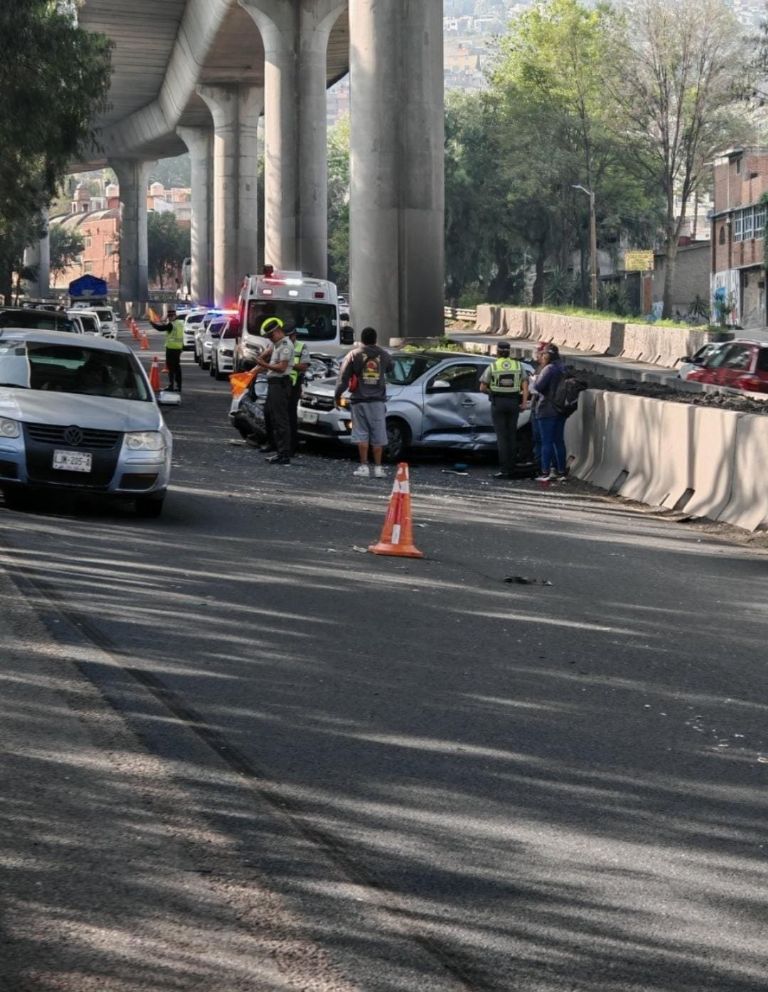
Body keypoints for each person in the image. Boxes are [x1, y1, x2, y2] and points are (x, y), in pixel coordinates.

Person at [334, 326, 393, 478]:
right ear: (375, 339)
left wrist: (337, 395)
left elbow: (343, 379)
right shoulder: (384, 354)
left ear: (362, 339)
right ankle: (379, 468)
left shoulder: (354, 354)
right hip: (378, 401)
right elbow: (390, 368)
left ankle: (364, 466)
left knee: (361, 433)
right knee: (378, 434)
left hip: (359, 400)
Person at [479, 341, 529, 479]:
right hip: (513, 403)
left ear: (498, 351)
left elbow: (482, 388)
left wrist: (493, 393)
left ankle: (504, 470)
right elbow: (525, 385)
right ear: (509, 351)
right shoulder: (518, 366)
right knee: (512, 435)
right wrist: (524, 402)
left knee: (502, 438)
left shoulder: (493, 366)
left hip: (498, 404)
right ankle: (512, 469)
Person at [254, 318, 294, 465]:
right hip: (274, 384)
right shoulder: (277, 345)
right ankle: (279, 451)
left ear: (277, 331)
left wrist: (263, 364)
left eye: (271, 336)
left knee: (281, 420)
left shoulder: (285, 345)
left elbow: (282, 367)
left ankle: (284, 455)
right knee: (273, 418)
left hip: (280, 385)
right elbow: (272, 365)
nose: (270, 339)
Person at [533, 344, 567, 482]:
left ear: (548, 355)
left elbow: (538, 386)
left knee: (546, 441)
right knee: (559, 441)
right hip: (561, 409)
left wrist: (534, 380)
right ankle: (561, 471)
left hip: (547, 408)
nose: (542, 356)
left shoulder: (549, 369)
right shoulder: (562, 368)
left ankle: (545, 472)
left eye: (544, 354)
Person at [149, 306, 184, 392]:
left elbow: (161, 328)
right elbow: (168, 327)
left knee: (171, 368)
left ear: (173, 316)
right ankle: (179, 386)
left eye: (170, 317)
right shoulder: (180, 323)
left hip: (171, 348)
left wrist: (153, 324)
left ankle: (171, 386)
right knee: (177, 368)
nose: (170, 318)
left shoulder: (171, 324)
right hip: (179, 348)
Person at [287, 325, 310, 455]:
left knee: (290, 416)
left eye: (291, 336)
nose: (289, 338)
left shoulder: (301, 347)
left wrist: (288, 364)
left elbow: (304, 366)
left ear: (294, 336)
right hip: (280, 384)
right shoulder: (279, 345)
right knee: (276, 415)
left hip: (294, 385)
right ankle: (277, 444)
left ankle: (291, 446)